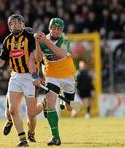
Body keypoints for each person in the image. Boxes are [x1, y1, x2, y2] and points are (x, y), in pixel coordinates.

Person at [0, 14, 41, 147]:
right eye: (12, 23)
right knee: (12, 110)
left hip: (30, 76)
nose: (15, 25)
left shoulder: (30, 38)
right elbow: (2, 60)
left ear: (23, 24)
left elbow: (35, 58)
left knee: (32, 114)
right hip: (16, 76)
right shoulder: (7, 40)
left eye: (18, 23)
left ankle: (31, 131)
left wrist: (35, 76)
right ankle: (23, 140)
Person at [34, 18, 77, 146]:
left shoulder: (65, 39)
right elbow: (38, 58)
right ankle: (55, 137)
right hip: (51, 75)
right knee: (52, 102)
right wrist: (37, 43)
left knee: (69, 108)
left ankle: (64, 101)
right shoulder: (43, 40)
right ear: (50, 28)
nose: (56, 31)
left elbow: (61, 54)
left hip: (68, 75)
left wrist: (45, 41)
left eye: (59, 29)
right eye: (54, 28)